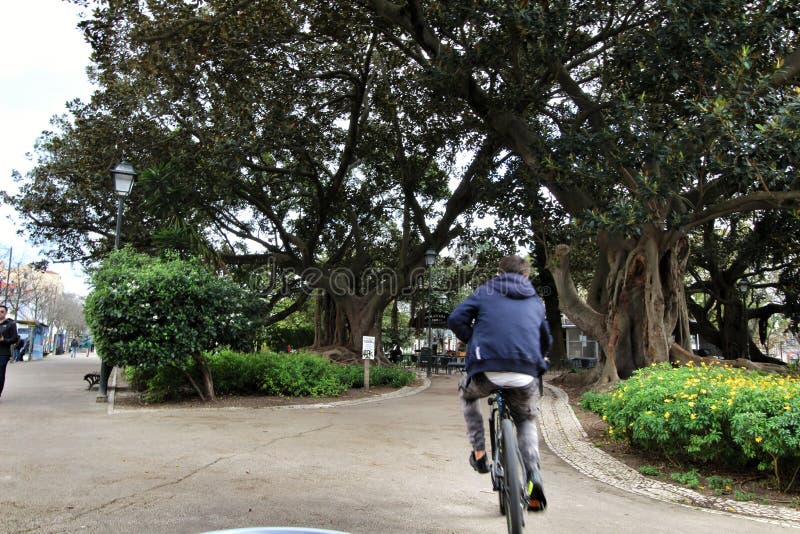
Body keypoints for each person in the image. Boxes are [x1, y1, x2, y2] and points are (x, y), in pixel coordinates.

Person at [447, 255, 551, 512]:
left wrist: (473, 339)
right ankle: (533, 478)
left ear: (498, 272)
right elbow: (545, 337)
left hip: (488, 370)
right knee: (525, 420)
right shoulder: (535, 300)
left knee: (468, 394)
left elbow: (455, 319)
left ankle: (480, 454)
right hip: (525, 373)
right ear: (526, 276)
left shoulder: (485, 291)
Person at [0, 304, 21, 399]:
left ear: (6, 313)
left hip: (3, 353)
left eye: (2, 311)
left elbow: (15, 338)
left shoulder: (10, 324)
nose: (0, 313)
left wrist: (4, 340)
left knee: (0, 374)